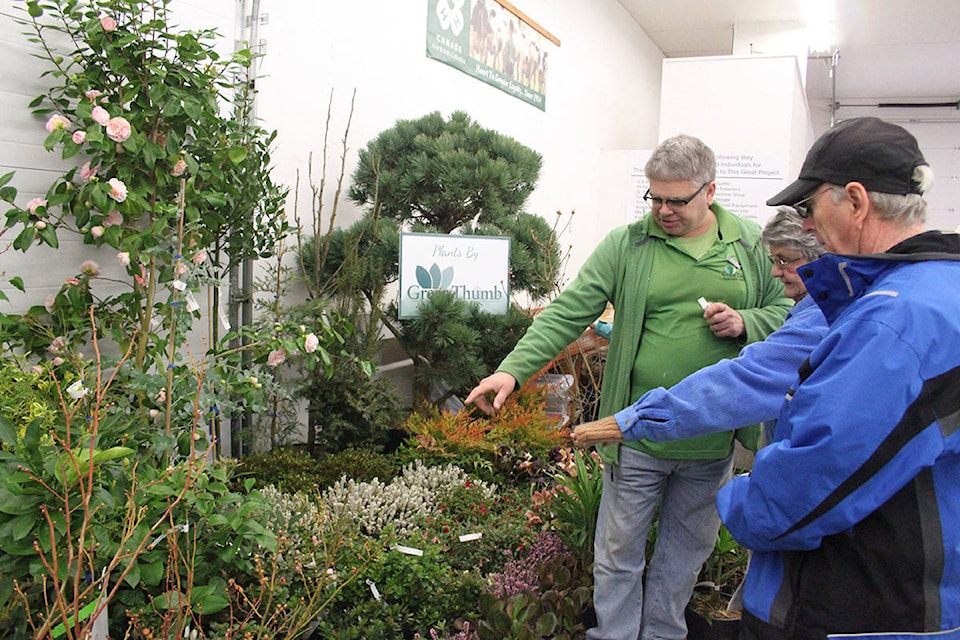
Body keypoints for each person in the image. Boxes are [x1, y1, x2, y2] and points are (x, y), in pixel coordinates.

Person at [465, 134, 792, 640]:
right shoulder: (628, 245)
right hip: (635, 434)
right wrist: (511, 371)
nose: (662, 210)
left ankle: (664, 634)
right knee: (618, 552)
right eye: (654, 197)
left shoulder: (749, 243)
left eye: (676, 200)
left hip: (711, 440)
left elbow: (790, 310)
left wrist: (747, 321)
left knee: (684, 554)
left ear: (709, 191)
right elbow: (568, 313)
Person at [724, 117, 960, 639]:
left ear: (855, 201)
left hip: (855, 607)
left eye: (809, 208)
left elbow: (801, 488)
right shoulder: (944, 292)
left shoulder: (894, 323)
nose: (805, 226)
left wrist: (736, 497)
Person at [571, 206, 828, 451]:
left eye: (784, 261)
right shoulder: (822, 310)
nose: (774, 271)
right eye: (773, 260)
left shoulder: (818, 323)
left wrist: (632, 421)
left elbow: (739, 384)